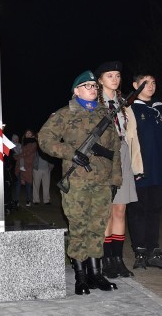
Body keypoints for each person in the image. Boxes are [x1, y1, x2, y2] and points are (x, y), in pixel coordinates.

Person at [39, 70, 122, 295]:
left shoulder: (105, 116)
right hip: (76, 181)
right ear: (76, 91)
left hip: (102, 182)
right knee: (78, 227)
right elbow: (44, 139)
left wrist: (115, 179)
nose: (93, 89)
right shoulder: (65, 114)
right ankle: (81, 277)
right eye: (87, 86)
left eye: (95, 86)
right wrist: (70, 152)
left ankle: (96, 274)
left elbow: (114, 149)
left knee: (97, 227)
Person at [95, 61, 143, 279]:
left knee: (120, 210)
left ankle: (117, 259)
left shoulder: (124, 104)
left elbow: (131, 136)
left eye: (117, 75)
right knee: (106, 210)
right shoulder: (94, 103)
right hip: (104, 155)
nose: (115, 79)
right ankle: (105, 260)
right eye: (109, 75)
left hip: (122, 152)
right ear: (100, 80)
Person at [129, 72, 162, 270]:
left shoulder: (161, 109)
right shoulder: (129, 109)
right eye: (145, 83)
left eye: (153, 82)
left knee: (154, 211)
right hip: (139, 169)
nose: (151, 86)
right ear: (135, 85)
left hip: (159, 171)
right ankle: (140, 252)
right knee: (137, 211)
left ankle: (153, 251)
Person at [14, 129, 37, 207]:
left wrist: (19, 156)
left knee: (28, 184)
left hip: (28, 166)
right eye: (26, 133)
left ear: (32, 134)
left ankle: (28, 200)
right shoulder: (23, 143)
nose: (28, 134)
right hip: (20, 165)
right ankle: (16, 200)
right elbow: (20, 152)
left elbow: (29, 152)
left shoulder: (34, 142)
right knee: (18, 184)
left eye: (29, 133)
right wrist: (16, 156)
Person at [31, 138, 54, 205]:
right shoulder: (35, 147)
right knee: (36, 185)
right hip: (37, 169)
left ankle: (46, 200)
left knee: (46, 185)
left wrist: (51, 166)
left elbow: (52, 157)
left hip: (46, 169)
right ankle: (36, 200)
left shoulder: (47, 148)